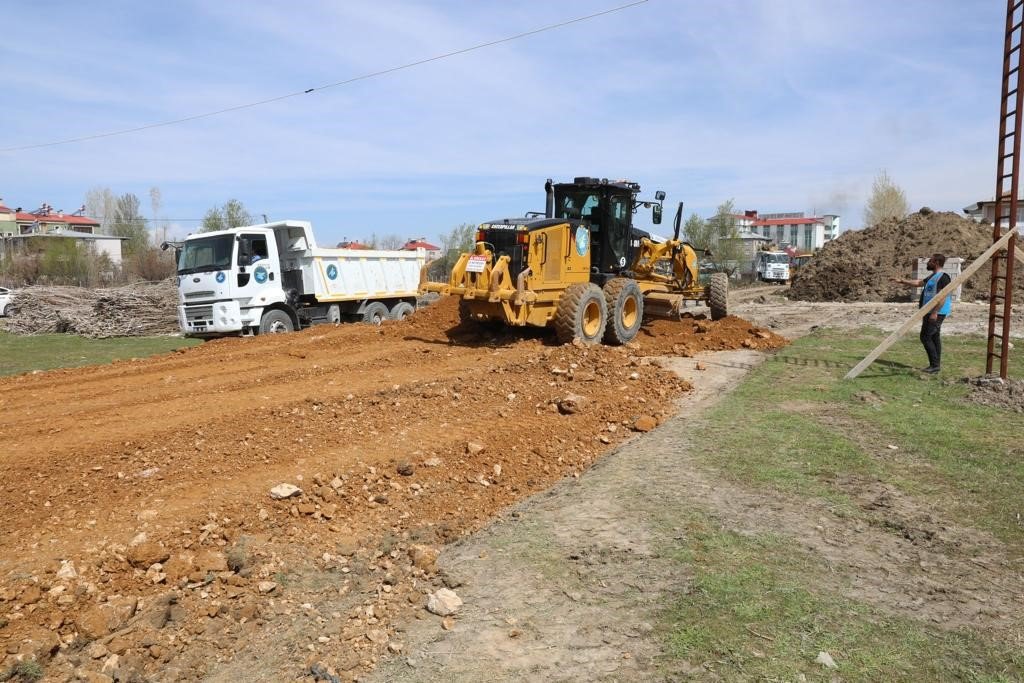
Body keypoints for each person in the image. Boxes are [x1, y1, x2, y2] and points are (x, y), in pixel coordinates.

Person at [891, 253, 952, 373]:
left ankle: (934, 366)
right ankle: (935, 365)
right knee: (934, 337)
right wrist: (901, 281)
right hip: (928, 311)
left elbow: (942, 297)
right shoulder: (933, 276)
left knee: (925, 337)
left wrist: (935, 312)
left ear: (936, 263)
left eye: (930, 261)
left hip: (936, 312)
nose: (928, 263)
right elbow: (919, 283)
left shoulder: (943, 277)